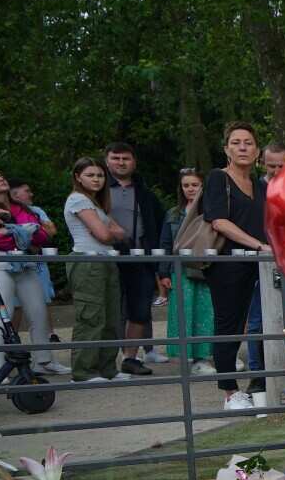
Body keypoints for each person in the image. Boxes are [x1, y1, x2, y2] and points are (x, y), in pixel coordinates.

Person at [203, 122, 270, 409]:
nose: (243, 147)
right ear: (226, 149)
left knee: (267, 322)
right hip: (229, 263)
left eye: (248, 143)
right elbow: (218, 220)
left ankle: (268, 380)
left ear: (257, 151)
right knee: (229, 325)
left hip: (262, 264)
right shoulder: (219, 178)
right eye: (236, 142)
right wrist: (256, 244)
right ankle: (229, 391)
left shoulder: (260, 185)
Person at [104, 142, 168, 374]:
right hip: (106, 257)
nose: (121, 163)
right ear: (107, 160)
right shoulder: (96, 191)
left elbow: (161, 225)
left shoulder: (146, 193)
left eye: (126, 158)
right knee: (105, 309)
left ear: (134, 162)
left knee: (139, 309)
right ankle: (102, 361)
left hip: (140, 256)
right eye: (116, 158)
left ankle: (130, 358)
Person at [63, 158, 128, 381]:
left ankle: (107, 368)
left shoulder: (95, 203)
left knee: (111, 317)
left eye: (100, 175)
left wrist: (109, 232)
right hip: (87, 262)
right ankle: (83, 371)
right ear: (77, 177)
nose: (96, 179)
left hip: (105, 261)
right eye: (90, 175)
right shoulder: (77, 199)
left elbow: (120, 232)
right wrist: (108, 232)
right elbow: (105, 235)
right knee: (91, 317)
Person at [0, 170, 63, 375]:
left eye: (0, 175)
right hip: (0, 266)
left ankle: (43, 361)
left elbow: (43, 236)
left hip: (26, 265)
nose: (1, 178)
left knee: (39, 313)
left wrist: (10, 231)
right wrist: (25, 231)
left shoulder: (20, 207)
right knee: (1, 318)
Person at [243, 141, 285, 392]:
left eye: (280, 166)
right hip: (260, 259)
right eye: (271, 165)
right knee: (256, 321)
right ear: (262, 163)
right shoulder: (254, 188)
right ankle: (257, 374)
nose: (275, 170)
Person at [158, 169, 215, 373]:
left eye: (194, 185)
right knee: (183, 313)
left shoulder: (210, 211)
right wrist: (163, 273)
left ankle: (203, 358)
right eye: (186, 185)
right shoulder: (173, 213)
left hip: (204, 268)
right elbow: (165, 243)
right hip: (180, 270)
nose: (190, 189)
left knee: (205, 313)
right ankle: (184, 357)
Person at [7, 178, 63, 343]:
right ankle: (12, 339)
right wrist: (31, 233)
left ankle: (49, 336)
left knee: (43, 298)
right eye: (27, 191)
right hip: (13, 263)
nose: (31, 194)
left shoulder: (36, 210)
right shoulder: (5, 210)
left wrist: (23, 234)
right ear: (14, 194)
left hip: (37, 263)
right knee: (15, 304)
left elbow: (51, 230)